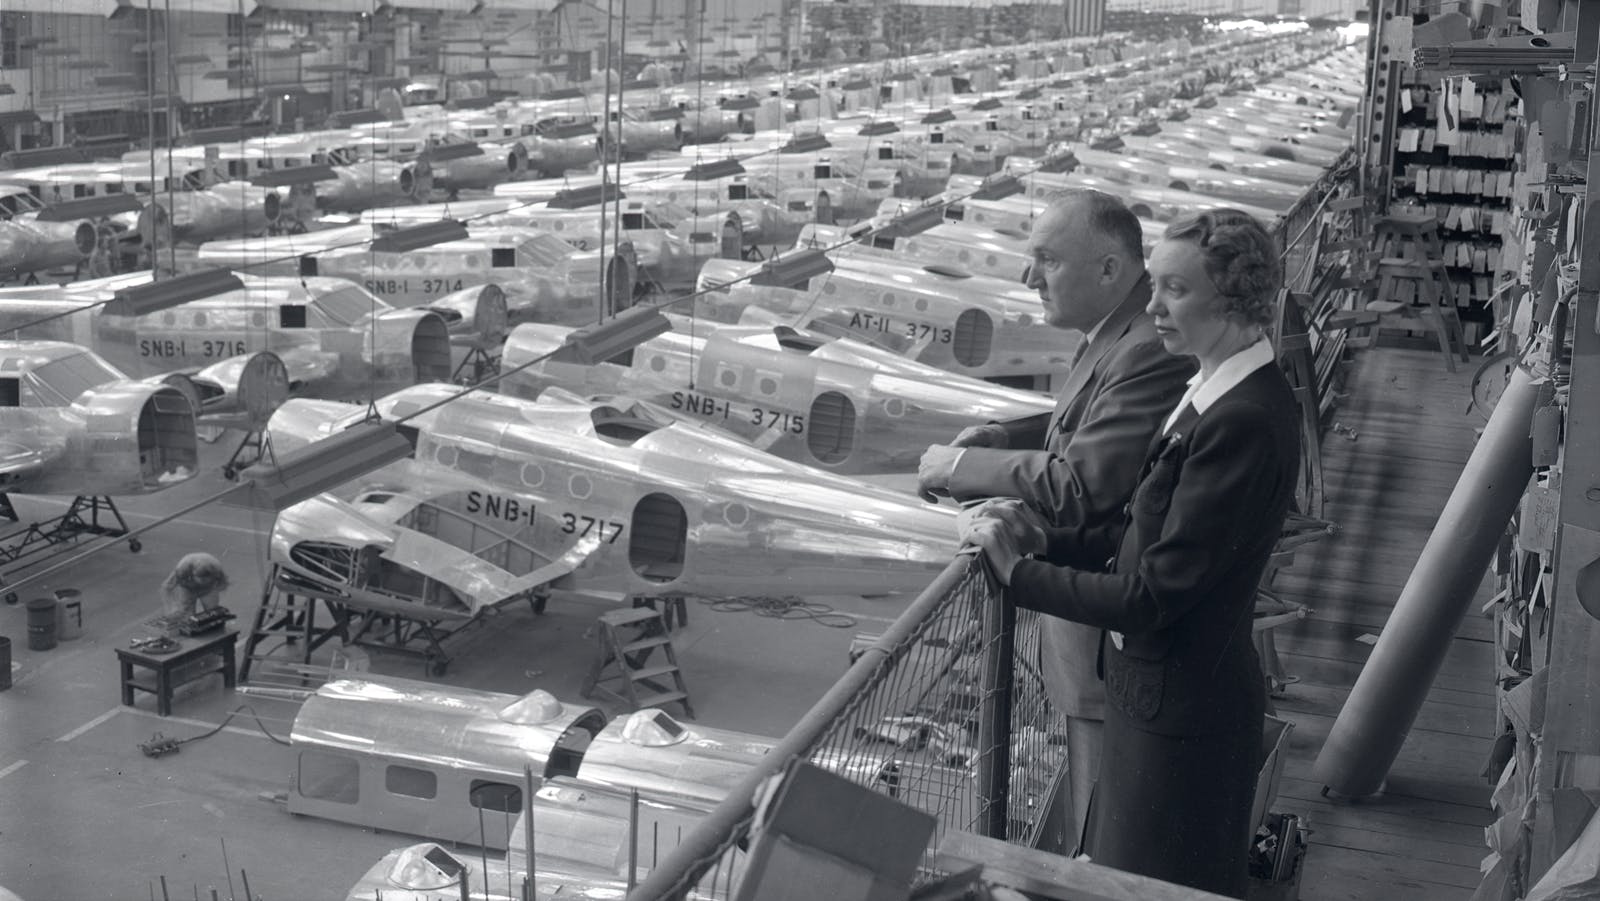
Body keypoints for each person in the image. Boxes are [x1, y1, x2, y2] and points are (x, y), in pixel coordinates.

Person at [961, 208, 1301, 898]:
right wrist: (1038, 535)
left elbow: (1153, 595)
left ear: (1236, 299)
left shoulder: (1241, 419)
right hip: (1160, 699)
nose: (1151, 305)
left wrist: (1019, 574)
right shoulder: (1211, 393)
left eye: (1173, 290)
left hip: (1182, 715)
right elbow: (1134, 534)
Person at [916, 189, 1195, 853]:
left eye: (1046, 260)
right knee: (1092, 801)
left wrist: (959, 467)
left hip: (1100, 624)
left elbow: (1082, 485)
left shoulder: (1145, 347)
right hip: (1093, 623)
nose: (1028, 276)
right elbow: (1083, 421)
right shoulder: (1117, 333)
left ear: (1108, 269)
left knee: (1101, 821)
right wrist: (998, 433)